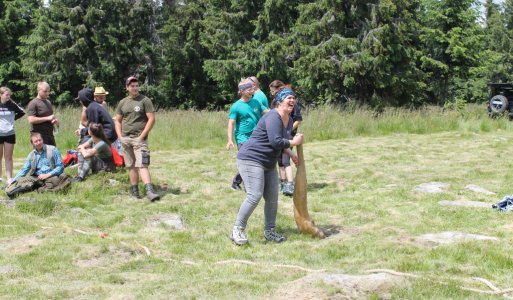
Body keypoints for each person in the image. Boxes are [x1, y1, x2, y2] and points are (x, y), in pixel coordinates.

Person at [230, 86, 303, 245]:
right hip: (251, 159)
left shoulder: (289, 120)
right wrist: (294, 142)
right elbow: (275, 141)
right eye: (288, 97)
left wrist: (291, 155)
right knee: (254, 195)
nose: (292, 100)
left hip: (268, 162)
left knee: (272, 199)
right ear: (279, 101)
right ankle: (237, 229)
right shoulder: (273, 116)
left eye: (293, 98)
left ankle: (270, 231)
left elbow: (280, 143)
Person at [114, 76, 160, 201]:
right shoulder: (122, 102)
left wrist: (142, 135)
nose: (135, 88)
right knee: (131, 166)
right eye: (132, 86)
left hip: (139, 139)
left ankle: (149, 191)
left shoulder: (145, 100)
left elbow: (151, 119)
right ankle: (135, 191)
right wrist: (120, 137)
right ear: (127, 87)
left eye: (136, 85)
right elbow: (117, 121)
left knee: (143, 164)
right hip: (125, 139)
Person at [226, 78, 266, 190]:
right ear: (242, 91)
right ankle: (243, 184)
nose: (251, 91)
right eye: (249, 89)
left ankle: (238, 181)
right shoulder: (236, 106)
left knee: (256, 160)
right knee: (247, 160)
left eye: (252, 89)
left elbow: (266, 112)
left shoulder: (256, 102)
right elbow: (231, 123)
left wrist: (280, 111)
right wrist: (230, 140)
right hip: (242, 138)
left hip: (257, 137)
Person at [5, 132, 69, 199]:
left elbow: (60, 166)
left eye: (40, 140)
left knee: (57, 180)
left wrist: (47, 175)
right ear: (32, 144)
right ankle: (31, 187)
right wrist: (12, 181)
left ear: (42, 140)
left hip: (51, 175)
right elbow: (24, 170)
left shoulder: (53, 150)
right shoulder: (31, 155)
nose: (39, 142)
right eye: (36, 141)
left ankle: (39, 188)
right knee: (21, 182)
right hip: (36, 177)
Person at [269, 80, 303, 196]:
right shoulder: (275, 103)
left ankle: (290, 184)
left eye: (274, 91)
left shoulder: (292, 102)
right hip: (279, 135)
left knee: (285, 160)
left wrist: (287, 131)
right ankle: (283, 183)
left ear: (280, 89)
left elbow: (298, 120)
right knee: (280, 161)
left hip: (289, 135)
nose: (273, 93)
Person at [0, 87, 25, 184]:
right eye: (7, 95)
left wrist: (12, 119)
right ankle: (0, 177)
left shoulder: (12, 104)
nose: (8, 96)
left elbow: (22, 112)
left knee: (8, 157)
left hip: (10, 133)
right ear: (0, 95)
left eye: (9, 95)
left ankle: (10, 178)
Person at [26, 81, 58, 146]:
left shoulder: (48, 102)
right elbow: (31, 120)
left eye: (48, 91)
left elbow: (50, 117)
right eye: (45, 91)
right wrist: (47, 118)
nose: (47, 93)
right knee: (42, 156)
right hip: (39, 137)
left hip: (50, 135)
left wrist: (55, 121)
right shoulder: (33, 103)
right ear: (38, 90)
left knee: (54, 155)